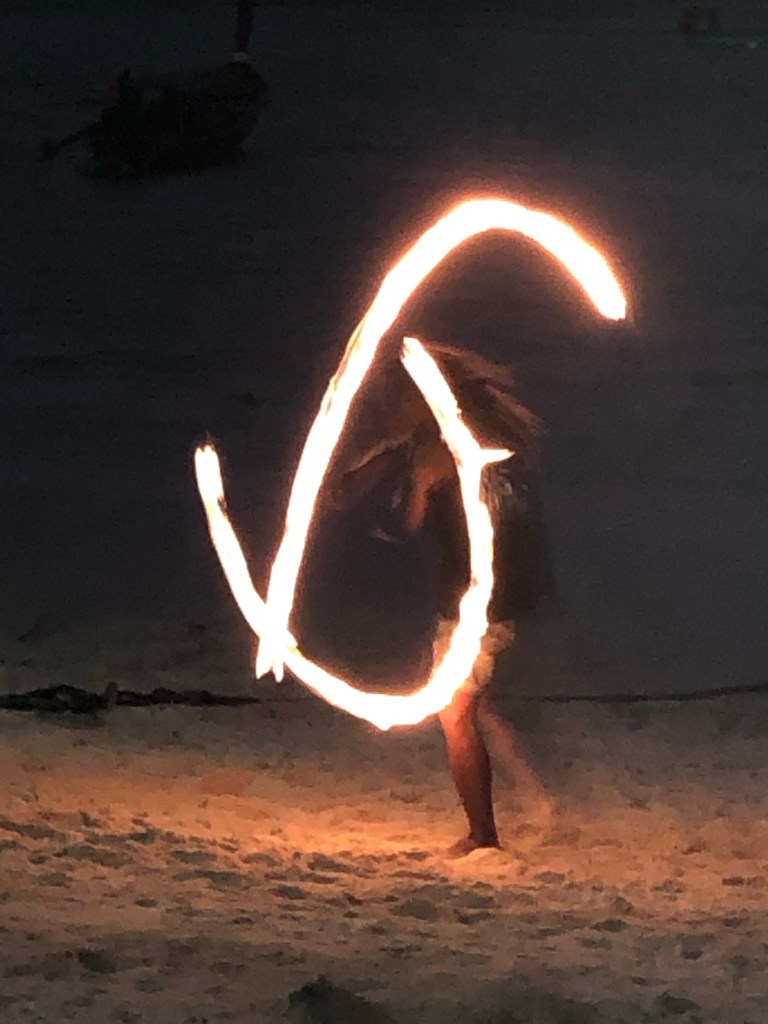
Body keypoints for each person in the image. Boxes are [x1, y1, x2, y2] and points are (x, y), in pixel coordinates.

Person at [330, 343, 554, 857]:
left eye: (396, 399)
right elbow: (356, 483)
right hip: (503, 590)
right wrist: (373, 467)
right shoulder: (467, 436)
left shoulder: (441, 453)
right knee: (474, 707)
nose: (388, 407)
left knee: (454, 712)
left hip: (477, 601)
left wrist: (406, 490)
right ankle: (535, 794)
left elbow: (404, 527)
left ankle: (482, 835)